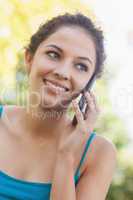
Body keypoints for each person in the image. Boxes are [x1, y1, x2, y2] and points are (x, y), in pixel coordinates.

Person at [0, 12, 117, 200]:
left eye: (80, 66)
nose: (63, 72)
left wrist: (66, 156)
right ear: (29, 59)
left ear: (88, 84)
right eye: (53, 54)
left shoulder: (98, 154)